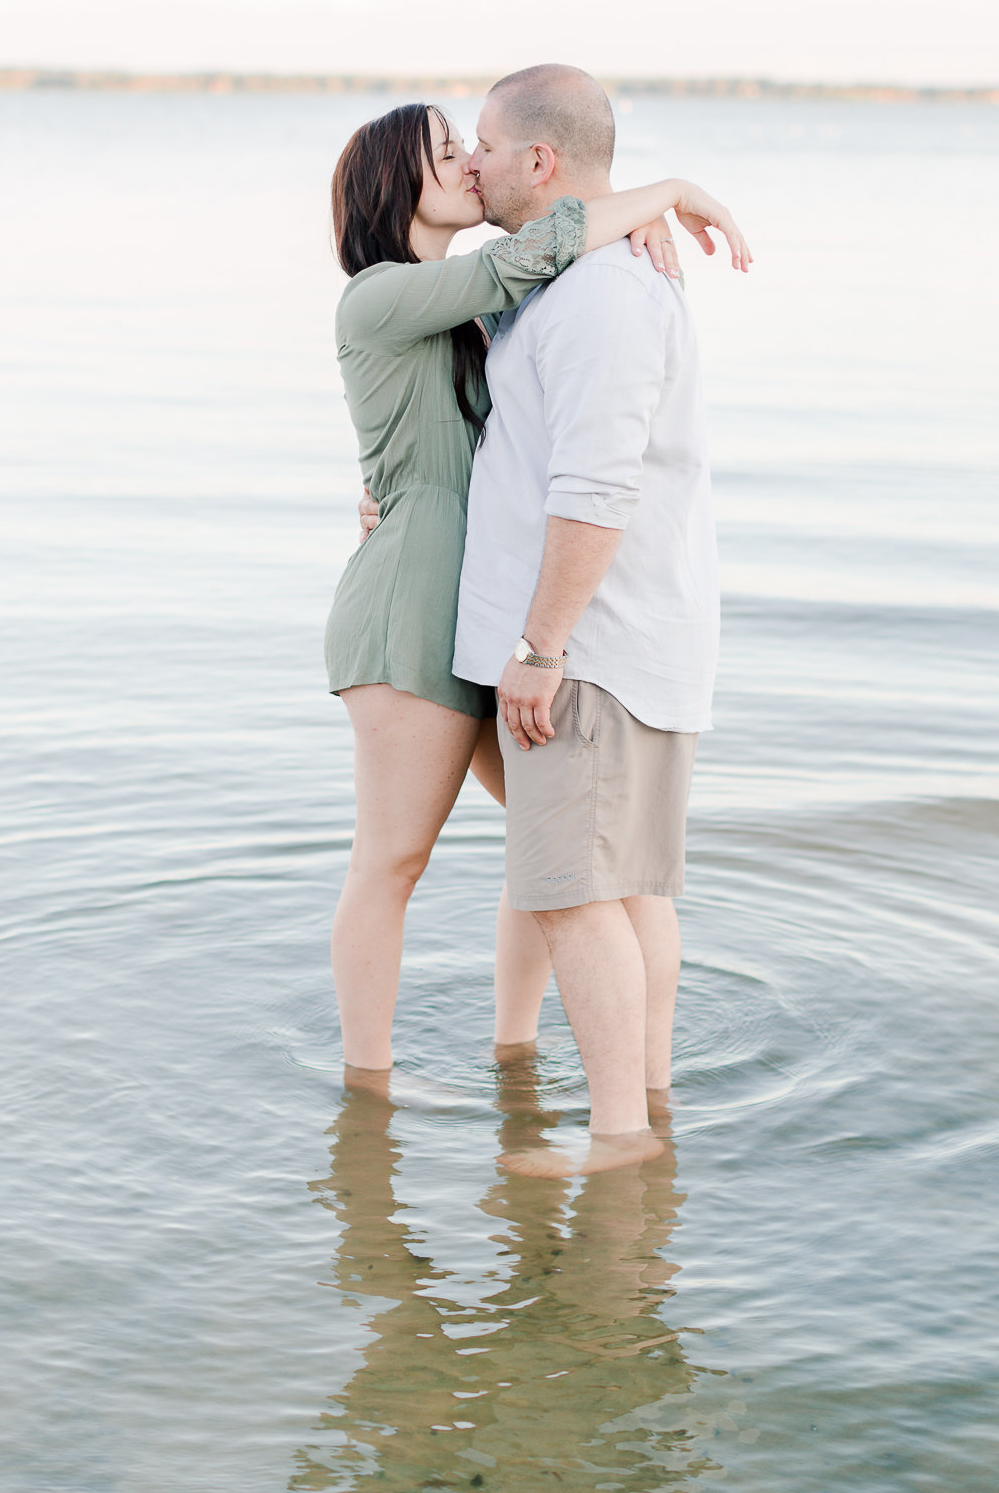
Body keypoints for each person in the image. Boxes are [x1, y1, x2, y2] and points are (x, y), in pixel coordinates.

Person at [326, 100, 749, 1080]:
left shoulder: (474, 308)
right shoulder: (380, 294)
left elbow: (497, 428)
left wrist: (622, 215)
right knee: (392, 859)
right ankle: (368, 1091)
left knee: (555, 845)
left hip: (486, 608)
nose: (471, 165)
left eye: (474, 148)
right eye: (447, 154)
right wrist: (666, 191)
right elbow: (522, 256)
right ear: (399, 183)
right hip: (408, 613)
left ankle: (514, 1052)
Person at [454, 64, 746, 1176]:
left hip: (594, 652)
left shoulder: (604, 296)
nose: (470, 161)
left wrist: (539, 647)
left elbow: (595, 488)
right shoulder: (581, 275)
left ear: (540, 159)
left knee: (575, 895)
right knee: (621, 889)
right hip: (621, 645)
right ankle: (647, 1107)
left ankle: (618, 1135)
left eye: (482, 142)